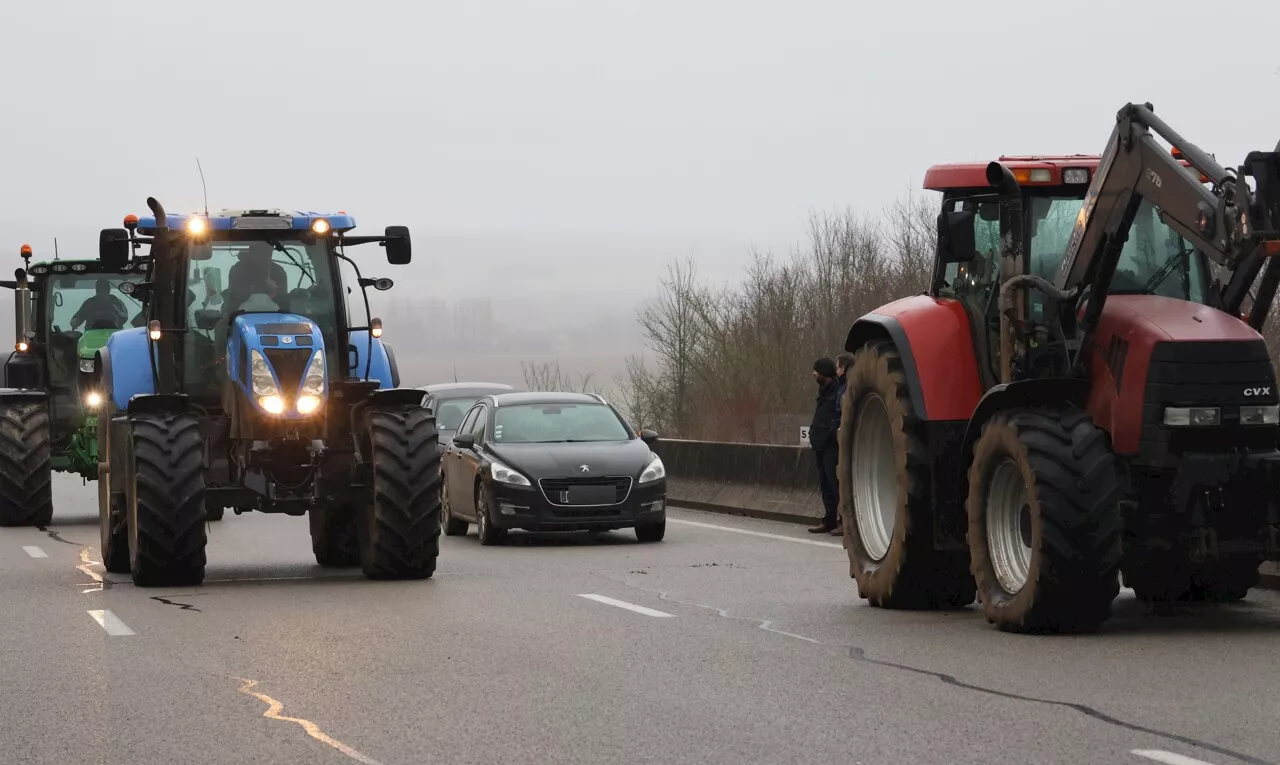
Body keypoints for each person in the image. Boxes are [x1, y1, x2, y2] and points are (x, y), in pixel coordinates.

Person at [808, 357, 842, 535]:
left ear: (824, 373)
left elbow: (836, 416)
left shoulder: (837, 391)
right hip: (819, 445)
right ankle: (828, 520)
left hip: (831, 446)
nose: (813, 374)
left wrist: (830, 435)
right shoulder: (823, 391)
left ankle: (841, 521)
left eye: (816, 371)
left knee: (835, 484)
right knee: (825, 485)